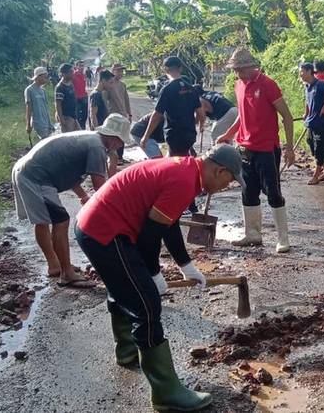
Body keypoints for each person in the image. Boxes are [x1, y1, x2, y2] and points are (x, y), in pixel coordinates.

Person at [74, 145, 245, 412]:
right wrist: (153, 275)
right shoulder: (183, 180)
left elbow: (168, 222)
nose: (227, 186)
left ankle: (127, 349)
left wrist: (186, 266)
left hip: (94, 224)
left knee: (124, 287)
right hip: (105, 231)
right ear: (219, 169)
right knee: (146, 304)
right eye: (229, 180)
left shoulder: (187, 171)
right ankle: (166, 393)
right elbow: (149, 237)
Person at [12, 114, 130, 288]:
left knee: (43, 222)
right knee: (61, 220)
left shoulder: (90, 139)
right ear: (114, 139)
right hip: (35, 176)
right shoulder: (97, 147)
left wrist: (83, 196)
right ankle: (66, 274)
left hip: (26, 170)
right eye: (121, 142)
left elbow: (69, 171)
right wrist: (117, 211)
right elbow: (101, 187)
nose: (120, 146)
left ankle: (54, 265)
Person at [215, 48, 295, 252]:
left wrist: (289, 147)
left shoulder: (267, 84)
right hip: (244, 147)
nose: (238, 73)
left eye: (241, 69)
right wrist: (229, 134)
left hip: (266, 148)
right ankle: (252, 234)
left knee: (273, 193)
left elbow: (286, 116)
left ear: (252, 66)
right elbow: (242, 115)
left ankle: (282, 238)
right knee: (247, 191)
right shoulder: (238, 85)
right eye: (235, 70)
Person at [140, 57, 199, 158]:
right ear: (180, 68)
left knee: (175, 162)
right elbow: (200, 112)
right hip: (190, 133)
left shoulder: (167, 89)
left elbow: (157, 115)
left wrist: (146, 136)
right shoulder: (191, 88)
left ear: (165, 70)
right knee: (183, 158)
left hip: (174, 134)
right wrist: (195, 124)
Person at [300, 63, 324, 185]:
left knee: (319, 149)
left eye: (302, 72)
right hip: (311, 121)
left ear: (309, 71)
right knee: (311, 143)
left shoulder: (320, 85)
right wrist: (306, 113)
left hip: (320, 122)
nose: (301, 74)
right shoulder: (307, 86)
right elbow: (308, 101)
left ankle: (316, 175)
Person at [24, 67, 54, 141]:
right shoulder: (29, 90)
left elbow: (45, 107)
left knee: (48, 143)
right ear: (38, 77)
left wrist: (49, 122)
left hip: (47, 121)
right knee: (46, 142)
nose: (46, 79)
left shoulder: (43, 90)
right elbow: (29, 108)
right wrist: (28, 124)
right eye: (45, 77)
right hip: (38, 122)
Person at [55, 64, 80, 132]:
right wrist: (61, 119)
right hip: (66, 117)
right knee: (69, 140)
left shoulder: (70, 84)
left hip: (73, 116)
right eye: (70, 72)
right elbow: (58, 105)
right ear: (64, 74)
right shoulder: (60, 87)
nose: (73, 73)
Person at [72, 60, 89, 129]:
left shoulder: (84, 75)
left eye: (82, 66)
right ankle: (79, 129)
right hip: (76, 98)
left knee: (85, 115)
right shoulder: (73, 75)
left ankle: (83, 127)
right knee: (78, 116)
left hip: (84, 97)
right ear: (76, 67)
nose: (82, 67)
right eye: (80, 66)